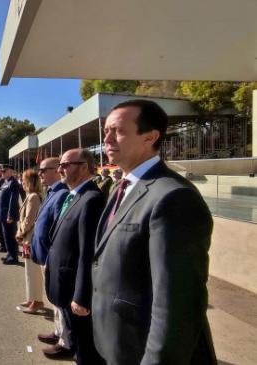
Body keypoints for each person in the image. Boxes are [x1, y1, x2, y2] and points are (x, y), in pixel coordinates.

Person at [92, 99, 216, 365]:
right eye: (106, 131)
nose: (107, 139)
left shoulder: (174, 197)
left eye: (118, 131)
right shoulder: (122, 188)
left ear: (150, 137)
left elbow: (177, 306)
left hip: (142, 350)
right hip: (117, 344)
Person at [43, 149, 105, 364]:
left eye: (66, 165)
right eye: (59, 165)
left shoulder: (91, 199)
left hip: (74, 288)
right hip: (63, 280)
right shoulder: (74, 194)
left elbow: (88, 252)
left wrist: (81, 295)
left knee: (85, 348)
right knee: (76, 341)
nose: (60, 169)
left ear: (84, 167)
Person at [31, 158, 71, 351]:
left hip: (51, 257)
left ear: (56, 170)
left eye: (43, 170)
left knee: (59, 300)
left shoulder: (62, 193)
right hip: (44, 255)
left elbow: (58, 230)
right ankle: (57, 332)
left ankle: (65, 341)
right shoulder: (52, 191)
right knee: (53, 299)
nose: (40, 174)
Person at [15, 169, 43, 313]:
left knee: (33, 271)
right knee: (29, 270)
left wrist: (20, 232)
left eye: (24, 180)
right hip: (27, 237)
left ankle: (37, 301)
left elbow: (29, 219)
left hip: (30, 237)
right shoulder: (30, 196)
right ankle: (31, 297)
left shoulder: (33, 197)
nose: (22, 182)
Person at [0, 164, 21, 264]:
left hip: (8, 215)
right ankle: (9, 254)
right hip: (3, 214)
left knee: (11, 236)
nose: (2, 173)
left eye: (4, 171)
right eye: (2, 172)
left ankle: (13, 257)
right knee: (6, 236)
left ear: (10, 171)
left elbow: (13, 200)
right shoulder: (6, 182)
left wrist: (10, 215)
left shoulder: (13, 183)